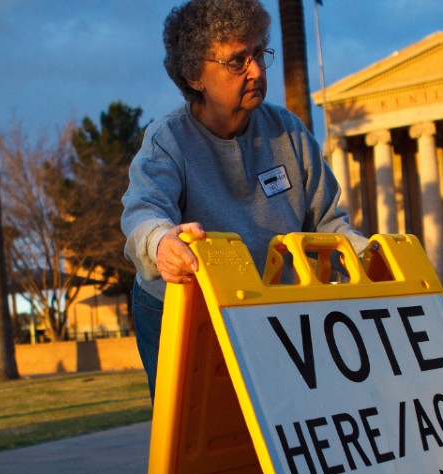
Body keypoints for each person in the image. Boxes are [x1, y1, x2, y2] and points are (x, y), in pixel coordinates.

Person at [121, 0, 367, 398]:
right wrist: (161, 243)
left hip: (269, 305)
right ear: (194, 74)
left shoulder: (287, 130)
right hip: (180, 308)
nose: (255, 70)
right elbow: (144, 212)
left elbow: (328, 224)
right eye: (237, 61)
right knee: (195, 430)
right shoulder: (167, 140)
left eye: (258, 54)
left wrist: (370, 258)